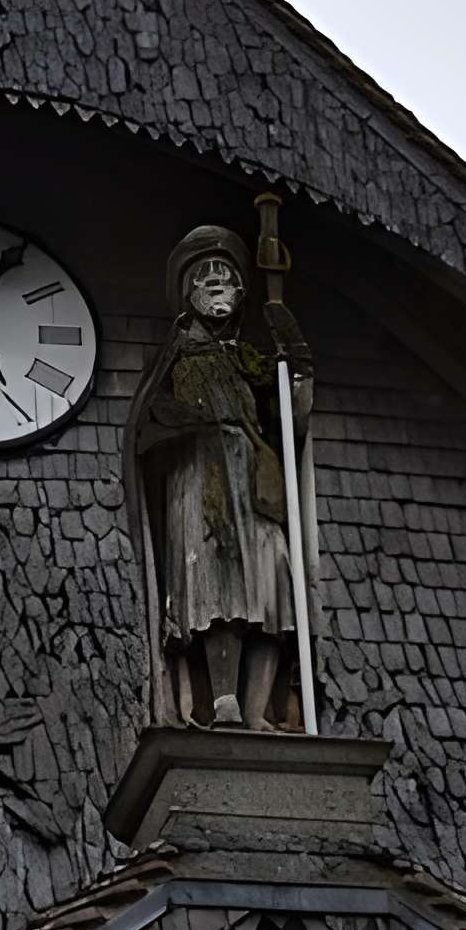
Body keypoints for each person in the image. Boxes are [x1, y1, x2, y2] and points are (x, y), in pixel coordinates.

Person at [129, 225, 301, 727]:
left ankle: (256, 709)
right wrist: (186, 420)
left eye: (224, 273)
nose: (215, 281)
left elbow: (290, 415)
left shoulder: (250, 361)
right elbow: (148, 419)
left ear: (241, 290)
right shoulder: (176, 353)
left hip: (254, 477)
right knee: (217, 581)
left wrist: (290, 346)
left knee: (273, 585)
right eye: (204, 275)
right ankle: (221, 697)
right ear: (189, 291)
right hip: (202, 471)